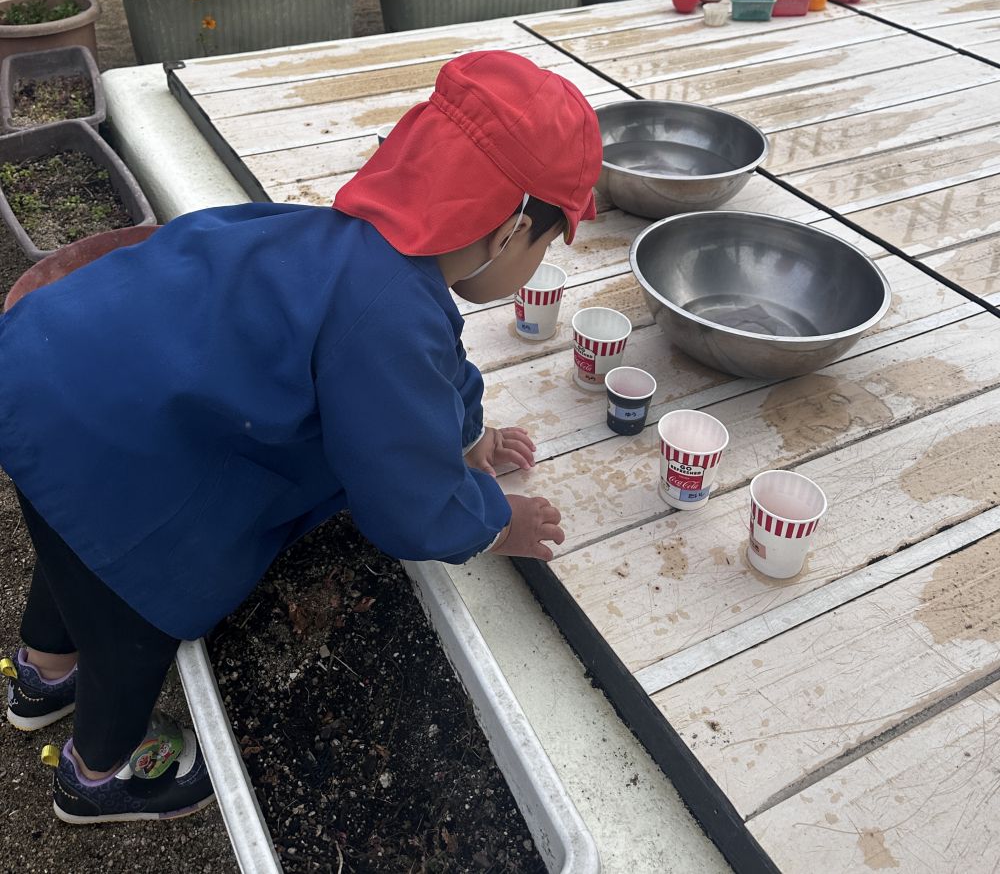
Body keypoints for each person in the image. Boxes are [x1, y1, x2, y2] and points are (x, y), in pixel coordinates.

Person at [0, 48, 603, 826]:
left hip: (50, 378)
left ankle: (42, 678)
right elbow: (405, 502)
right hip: (110, 453)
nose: (541, 260)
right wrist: (492, 520)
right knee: (129, 611)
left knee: (71, 545)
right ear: (513, 230)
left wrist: (468, 436)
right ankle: (97, 774)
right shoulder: (389, 313)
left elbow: (427, 374)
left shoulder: (351, 243)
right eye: (548, 245)